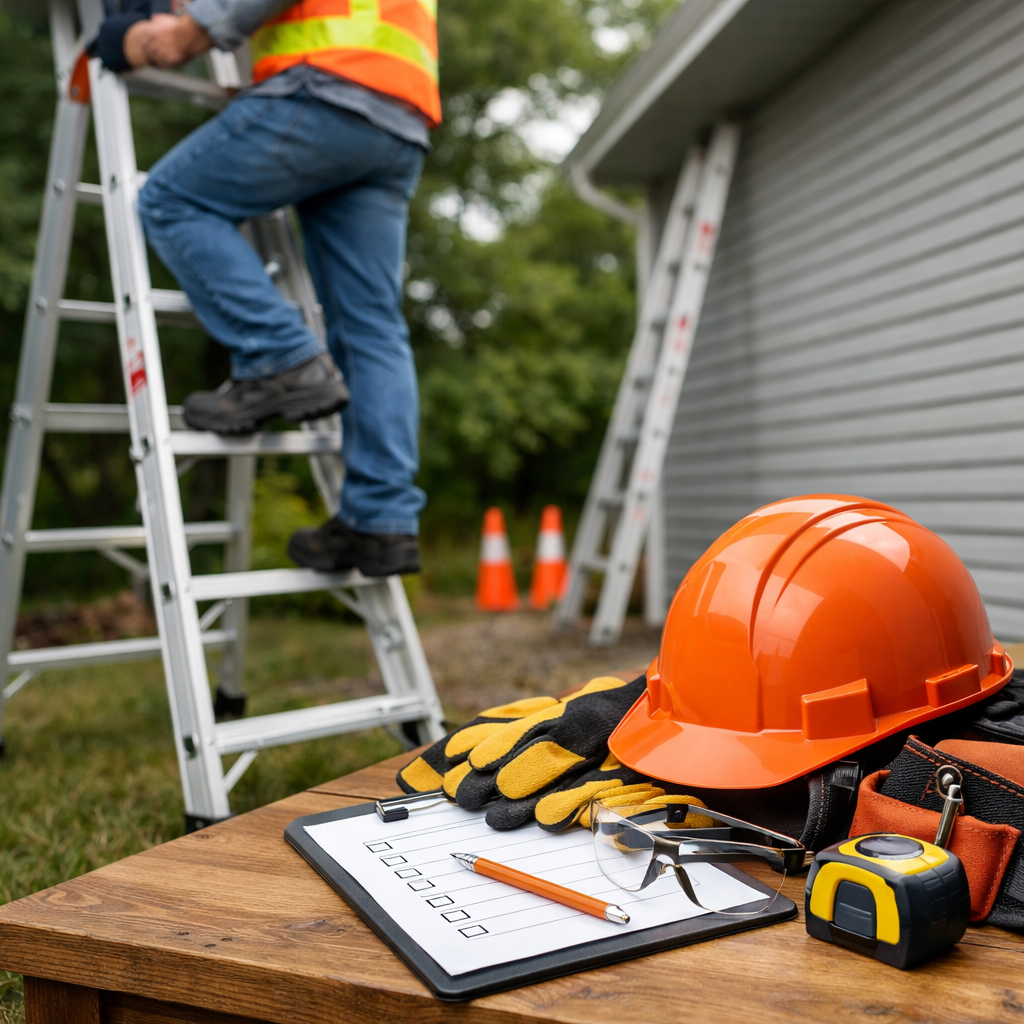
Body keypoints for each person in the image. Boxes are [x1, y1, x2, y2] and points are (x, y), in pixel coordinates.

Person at [88, 0, 439, 577]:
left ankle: (281, 356)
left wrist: (185, 34)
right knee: (372, 325)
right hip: (399, 117)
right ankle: (382, 522)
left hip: (327, 86)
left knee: (171, 199)